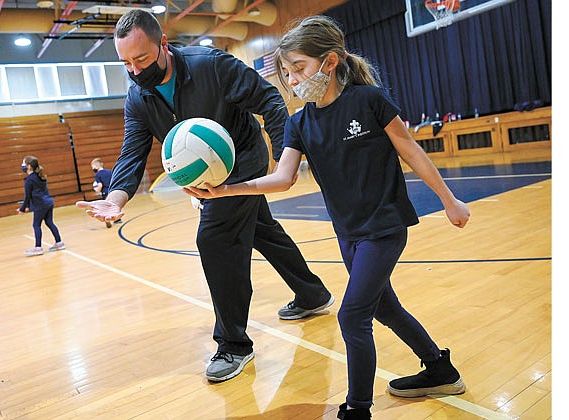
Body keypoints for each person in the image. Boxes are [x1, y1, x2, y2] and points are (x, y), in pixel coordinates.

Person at [184, 15, 470, 419]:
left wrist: (449, 199)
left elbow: (411, 151)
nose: (293, 78)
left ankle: (357, 409)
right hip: (349, 235)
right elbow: (282, 178)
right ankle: (439, 368)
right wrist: (225, 190)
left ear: (330, 62)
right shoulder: (300, 123)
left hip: (384, 228)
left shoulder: (370, 101)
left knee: (353, 316)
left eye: (299, 67)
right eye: (286, 72)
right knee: (384, 309)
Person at [76, 9, 333, 382]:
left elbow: (270, 101)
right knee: (262, 229)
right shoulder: (138, 98)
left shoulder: (213, 65)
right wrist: (116, 198)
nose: (134, 70)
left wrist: (284, 161)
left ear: (163, 44)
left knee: (214, 239)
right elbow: (132, 152)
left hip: (242, 161)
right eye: (126, 62)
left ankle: (233, 345)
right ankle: (312, 295)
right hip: (207, 175)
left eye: (142, 59)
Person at [18, 155, 65, 256]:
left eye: (23, 163)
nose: (22, 166)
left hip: (41, 205)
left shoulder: (29, 180)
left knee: (36, 225)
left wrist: (22, 209)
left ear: (29, 166)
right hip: (48, 202)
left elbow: (27, 196)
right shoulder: (40, 176)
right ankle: (59, 243)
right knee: (49, 222)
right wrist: (27, 207)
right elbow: (36, 194)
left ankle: (38, 248)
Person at [90, 158, 119, 228]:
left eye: (92, 167)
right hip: (112, 191)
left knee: (105, 207)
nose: (93, 169)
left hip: (105, 192)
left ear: (96, 166)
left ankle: (107, 221)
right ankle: (118, 219)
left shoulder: (97, 175)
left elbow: (100, 185)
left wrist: (97, 190)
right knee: (113, 205)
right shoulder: (109, 171)